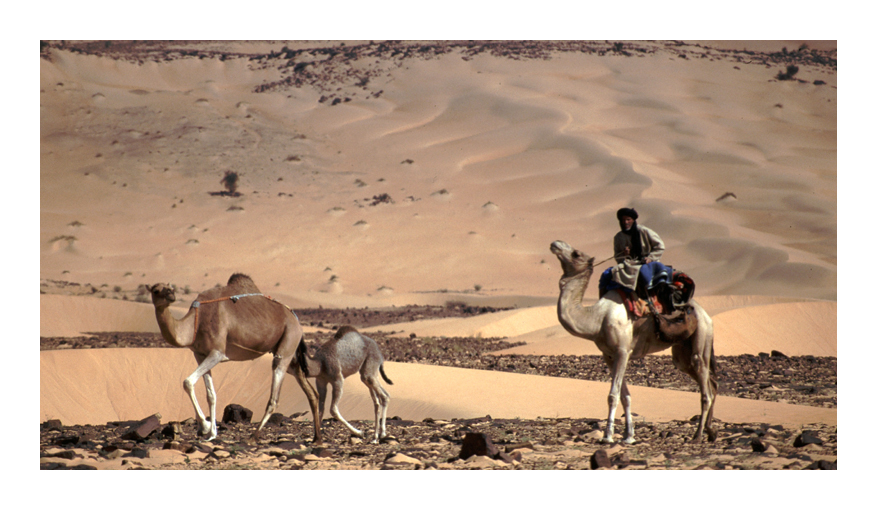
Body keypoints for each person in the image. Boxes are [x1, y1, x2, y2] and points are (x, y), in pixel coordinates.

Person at [602, 207, 667, 297]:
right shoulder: (618, 237)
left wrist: (650, 258)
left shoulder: (644, 231)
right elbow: (617, 256)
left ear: (633, 220)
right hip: (629, 264)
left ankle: (650, 299)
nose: (626, 222)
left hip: (647, 263)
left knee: (644, 273)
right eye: (623, 220)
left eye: (628, 219)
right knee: (607, 273)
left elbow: (660, 246)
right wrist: (624, 254)